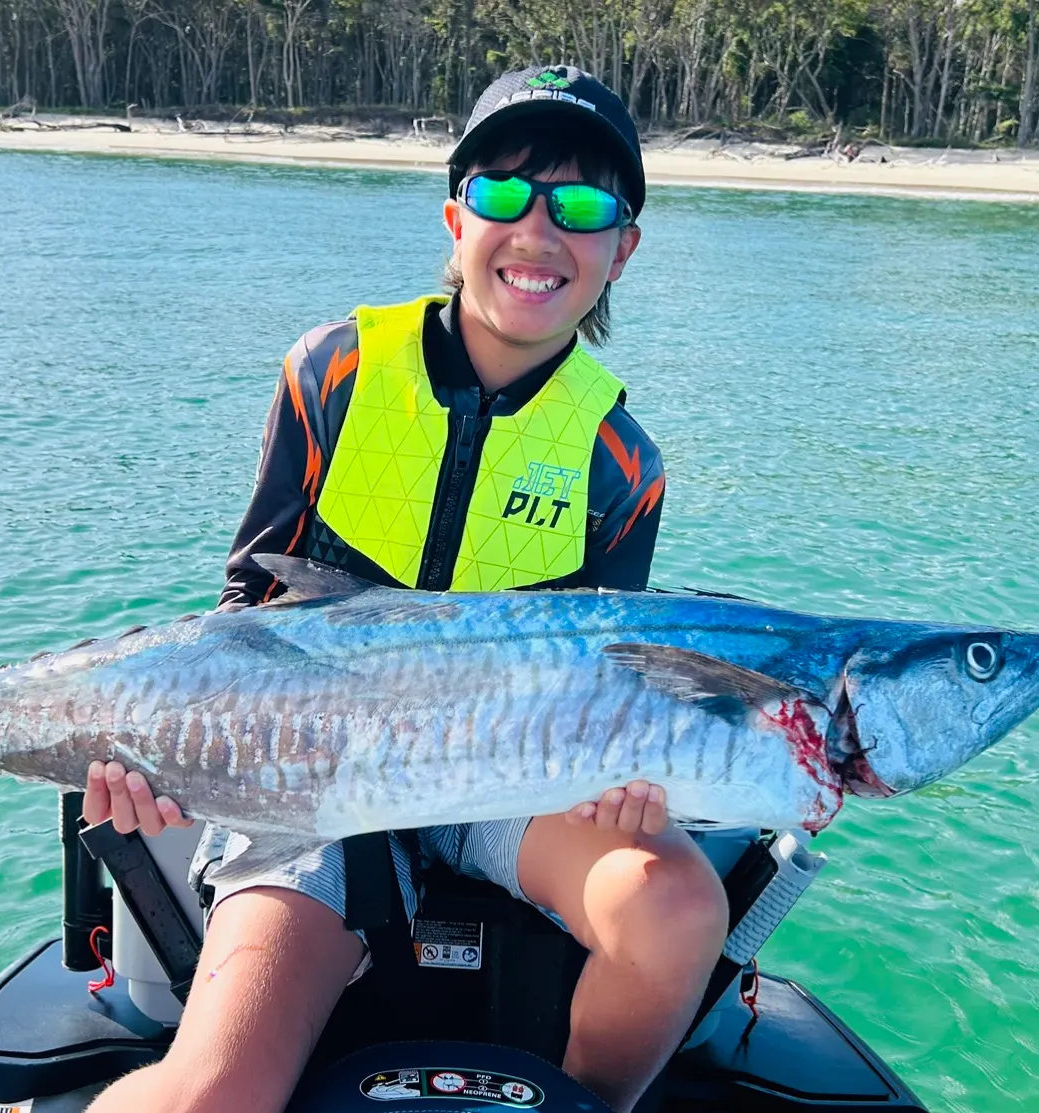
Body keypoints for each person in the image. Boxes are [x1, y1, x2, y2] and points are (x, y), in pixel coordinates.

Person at [83, 64, 728, 1113]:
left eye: (580, 205)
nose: (538, 230)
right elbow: (248, 611)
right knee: (211, 1097)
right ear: (455, 214)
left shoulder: (623, 462)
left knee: (677, 906)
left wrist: (634, 779)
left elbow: (611, 679)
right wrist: (182, 760)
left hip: (512, 780)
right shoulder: (331, 371)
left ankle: (580, 1102)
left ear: (625, 247)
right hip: (307, 776)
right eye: (505, 193)